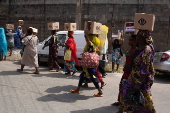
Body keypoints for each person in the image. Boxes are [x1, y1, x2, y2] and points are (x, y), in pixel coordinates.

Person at [117, 30, 156, 113]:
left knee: (145, 98)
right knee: (125, 92)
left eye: (138, 35)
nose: (136, 37)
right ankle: (122, 110)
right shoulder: (138, 48)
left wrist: (139, 83)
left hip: (142, 79)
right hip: (133, 75)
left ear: (142, 38)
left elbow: (146, 68)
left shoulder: (147, 50)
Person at [70, 31, 103, 97]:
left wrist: (85, 36)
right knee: (82, 76)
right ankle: (78, 89)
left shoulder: (91, 45)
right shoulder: (95, 46)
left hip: (89, 65)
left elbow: (89, 42)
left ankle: (100, 92)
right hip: (88, 65)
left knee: (93, 78)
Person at [112, 35, 137, 106]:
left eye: (131, 40)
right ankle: (120, 101)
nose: (129, 41)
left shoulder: (136, 51)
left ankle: (129, 102)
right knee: (122, 85)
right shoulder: (129, 49)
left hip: (132, 72)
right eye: (129, 40)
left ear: (136, 41)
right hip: (126, 71)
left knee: (130, 87)